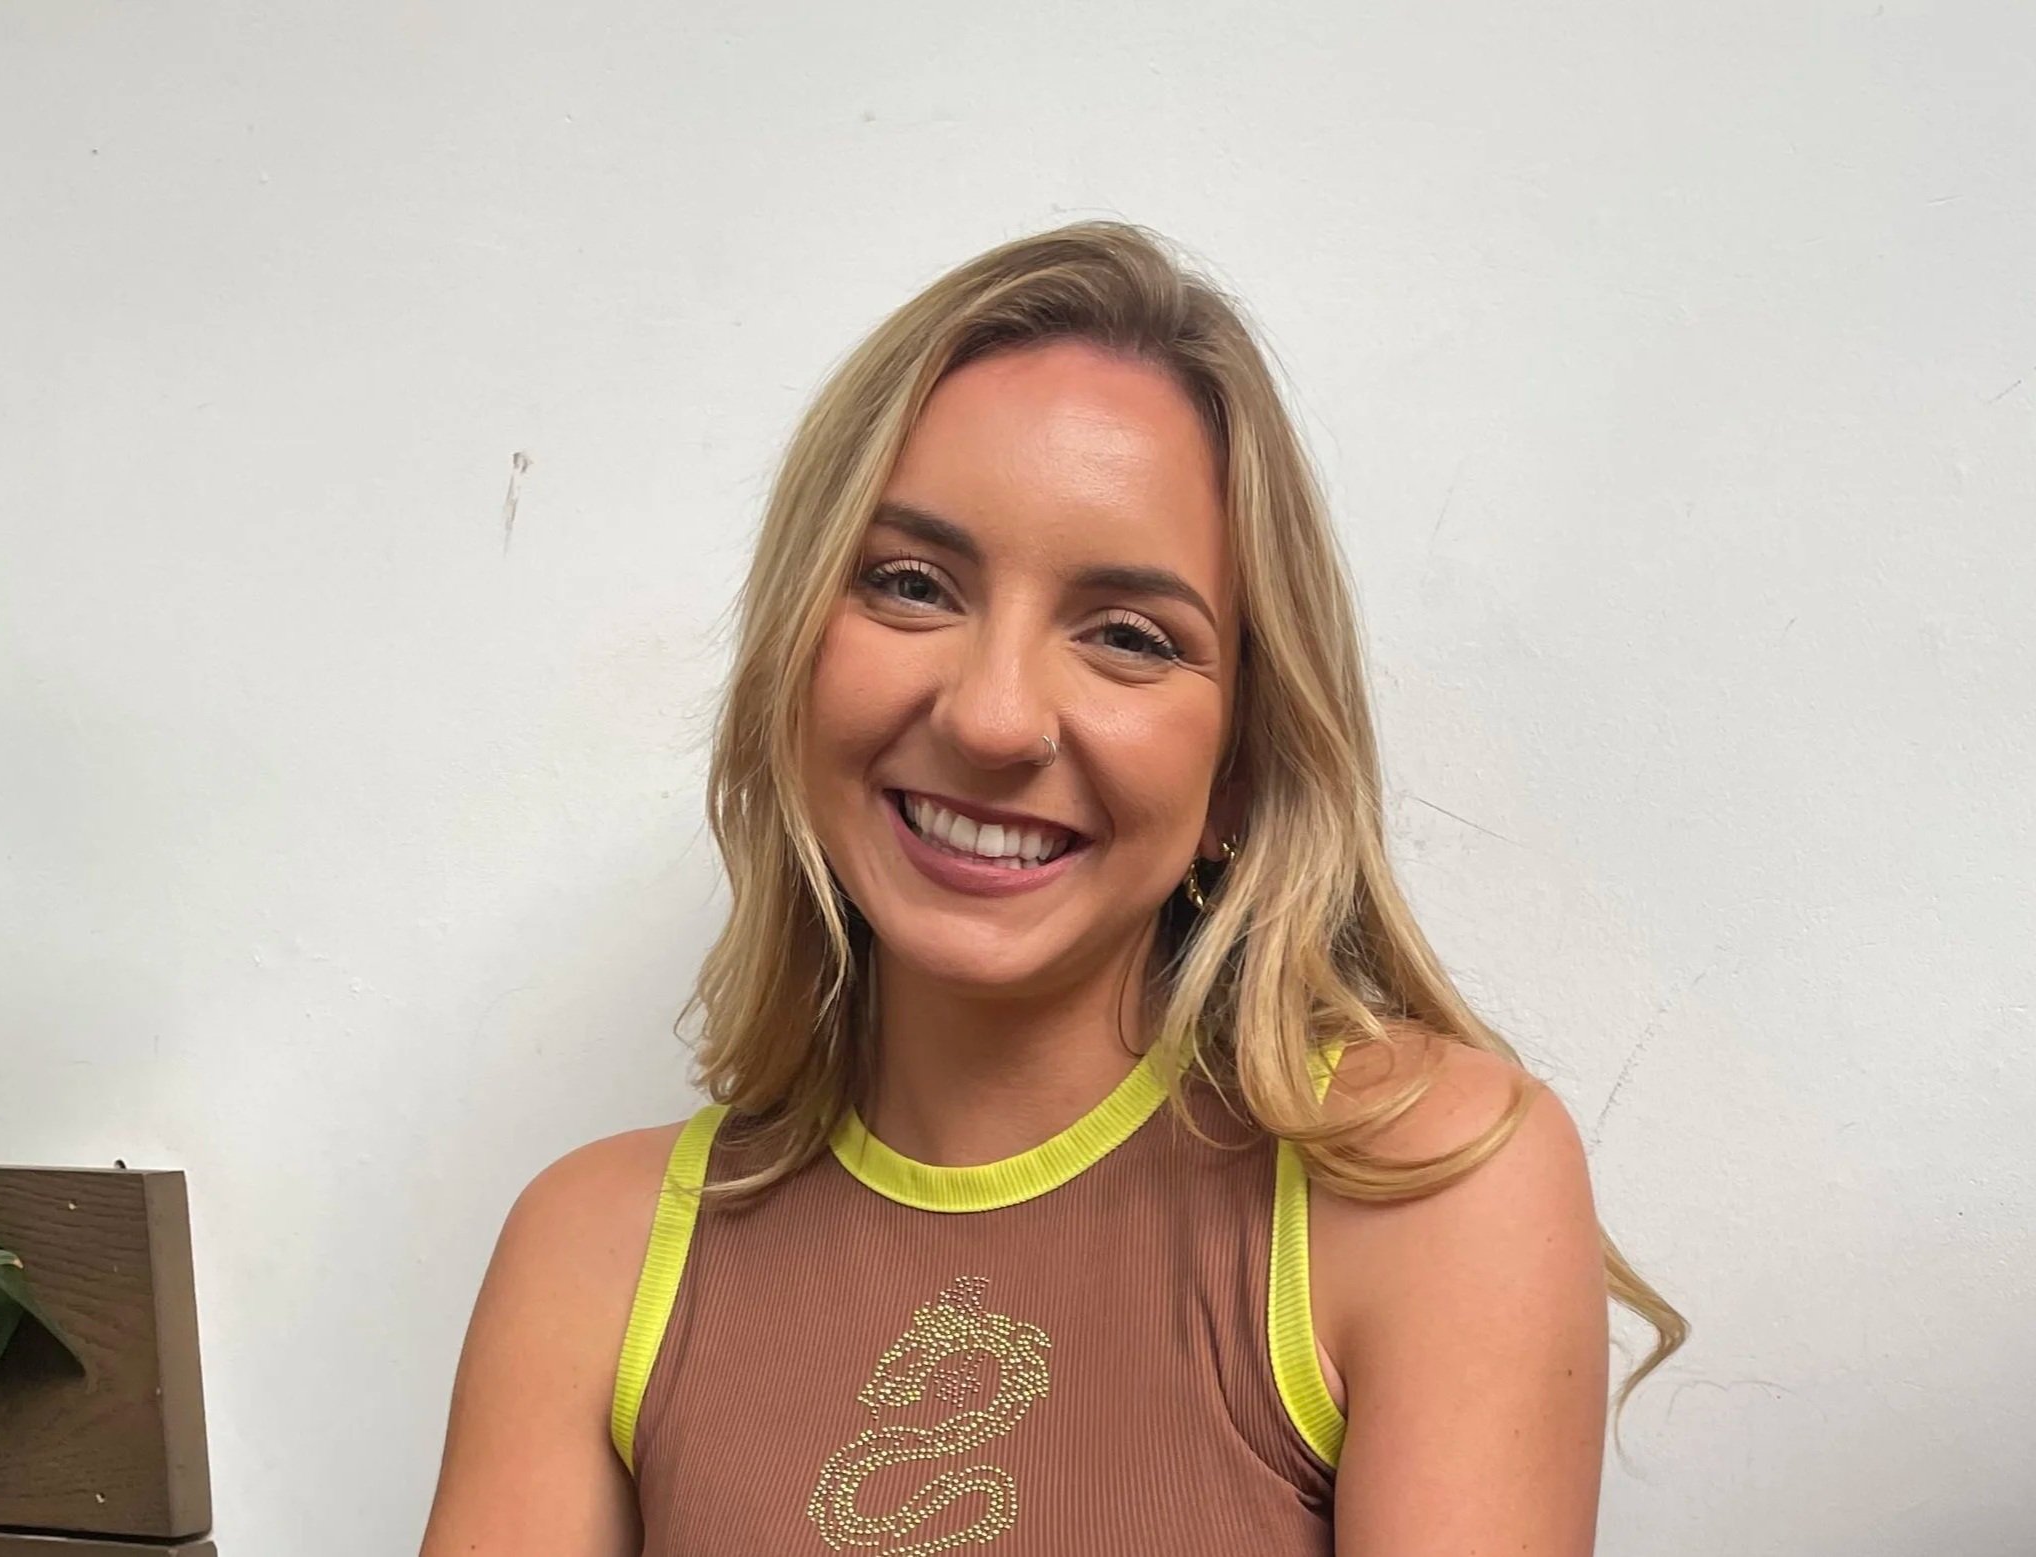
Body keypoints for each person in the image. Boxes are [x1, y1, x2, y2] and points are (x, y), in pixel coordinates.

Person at [418, 221, 1685, 1557]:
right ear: (798, 656)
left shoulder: (1421, 1181)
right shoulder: (594, 1253)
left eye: (1129, 637)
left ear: (1242, 767)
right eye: (913, 585)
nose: (995, 714)